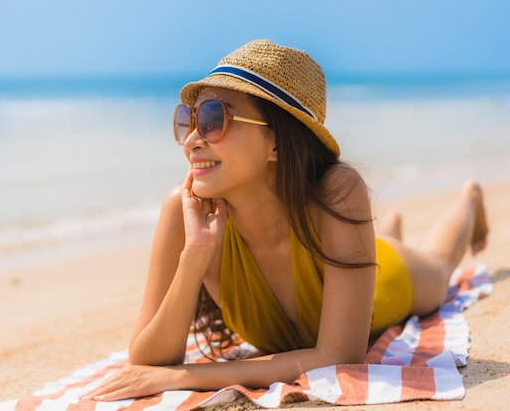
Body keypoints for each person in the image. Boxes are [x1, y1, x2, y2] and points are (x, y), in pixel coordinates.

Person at [82, 39, 488, 401]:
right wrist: (195, 257)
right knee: (390, 247)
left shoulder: (336, 191)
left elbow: (338, 356)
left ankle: (469, 198)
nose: (191, 139)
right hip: (345, 257)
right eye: (189, 120)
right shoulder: (184, 210)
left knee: (437, 264)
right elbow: (147, 358)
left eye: (213, 118)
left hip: (390, 280)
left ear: (275, 140)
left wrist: (188, 377)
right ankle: (387, 230)